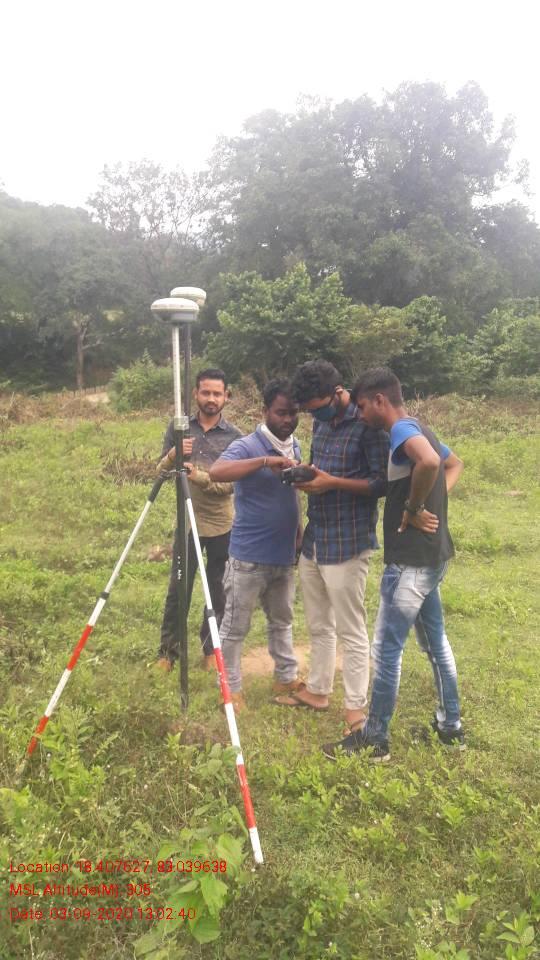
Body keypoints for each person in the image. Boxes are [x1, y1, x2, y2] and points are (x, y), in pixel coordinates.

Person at [323, 367, 465, 761]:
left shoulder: (401, 430)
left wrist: (415, 506)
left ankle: (375, 741)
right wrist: (433, 498)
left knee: (386, 651)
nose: (361, 413)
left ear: (380, 400)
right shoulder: (420, 427)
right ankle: (451, 726)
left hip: (409, 564)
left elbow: (431, 463)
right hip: (432, 557)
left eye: (363, 406)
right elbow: (453, 463)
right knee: (436, 644)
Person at [275, 360, 389, 737]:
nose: (315, 416)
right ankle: (318, 690)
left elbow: (382, 484)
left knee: (351, 629)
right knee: (319, 623)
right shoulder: (320, 422)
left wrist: (332, 483)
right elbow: (321, 467)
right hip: (316, 537)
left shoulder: (367, 424)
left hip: (348, 540)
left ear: (338, 392)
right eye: (309, 411)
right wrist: (306, 472)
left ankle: (356, 708)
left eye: (318, 408)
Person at [208, 380, 303, 712]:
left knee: (282, 620)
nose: (288, 419)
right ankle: (230, 690)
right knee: (235, 627)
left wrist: (298, 531)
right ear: (265, 411)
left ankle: (285, 677)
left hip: (283, 556)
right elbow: (217, 471)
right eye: (281, 412)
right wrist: (263, 462)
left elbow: (292, 494)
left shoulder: (295, 446)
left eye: (294, 413)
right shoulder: (247, 445)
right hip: (248, 557)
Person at [155, 368, 242, 672]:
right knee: (179, 589)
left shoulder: (235, 437)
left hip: (222, 525)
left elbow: (230, 485)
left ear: (226, 396)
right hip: (188, 523)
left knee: (218, 590)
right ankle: (168, 654)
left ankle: (210, 650)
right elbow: (161, 473)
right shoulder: (179, 428)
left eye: (217, 393)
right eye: (206, 392)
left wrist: (200, 477)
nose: (211, 399)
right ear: (195, 394)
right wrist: (174, 454)